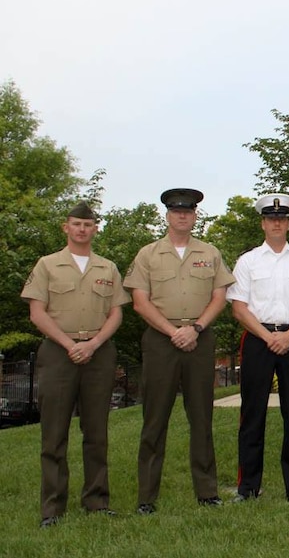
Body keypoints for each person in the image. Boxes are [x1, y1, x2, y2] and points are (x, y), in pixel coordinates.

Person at [123, 188, 235, 514]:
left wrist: (196, 329)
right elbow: (140, 302)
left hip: (199, 338)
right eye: (176, 211)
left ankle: (207, 491)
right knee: (154, 420)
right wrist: (174, 332)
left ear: (195, 215)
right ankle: (147, 497)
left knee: (202, 417)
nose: (182, 216)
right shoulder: (148, 254)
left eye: (188, 211)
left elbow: (219, 296)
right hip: (161, 340)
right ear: (167, 216)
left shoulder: (210, 253)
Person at [21, 202, 130, 528]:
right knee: (54, 434)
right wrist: (71, 345)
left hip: (99, 353)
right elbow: (37, 312)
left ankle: (97, 501)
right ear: (65, 228)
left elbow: (116, 313)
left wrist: (93, 344)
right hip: (58, 352)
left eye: (88, 224)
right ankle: (52, 509)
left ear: (96, 229)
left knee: (96, 432)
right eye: (76, 224)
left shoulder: (107, 268)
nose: (82, 229)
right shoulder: (47, 265)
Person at [226, 194, 289, 504]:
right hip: (257, 338)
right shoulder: (248, 261)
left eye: (282, 219)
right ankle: (248, 488)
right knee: (252, 413)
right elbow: (239, 309)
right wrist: (268, 338)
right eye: (271, 219)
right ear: (263, 224)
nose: (277, 223)